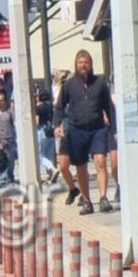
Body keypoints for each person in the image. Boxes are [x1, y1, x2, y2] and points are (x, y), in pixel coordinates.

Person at [54, 49, 115, 215]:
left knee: (101, 161)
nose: (83, 65)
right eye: (80, 62)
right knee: (80, 166)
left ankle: (103, 198)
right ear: (76, 64)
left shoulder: (100, 84)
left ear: (91, 65)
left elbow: (109, 107)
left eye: (86, 62)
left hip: (97, 129)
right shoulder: (69, 85)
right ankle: (87, 200)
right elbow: (59, 107)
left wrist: (114, 129)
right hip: (77, 130)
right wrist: (57, 125)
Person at [0, 91, 16, 186]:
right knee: (2, 160)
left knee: (11, 160)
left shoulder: (10, 112)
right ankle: (3, 178)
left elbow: (15, 123)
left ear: (5, 101)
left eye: (1, 100)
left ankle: (10, 176)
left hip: (10, 139)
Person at [34, 89, 57, 181]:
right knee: (48, 155)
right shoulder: (51, 107)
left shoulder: (38, 108)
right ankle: (51, 174)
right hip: (51, 131)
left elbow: (37, 121)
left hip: (41, 131)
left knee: (40, 156)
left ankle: (53, 169)